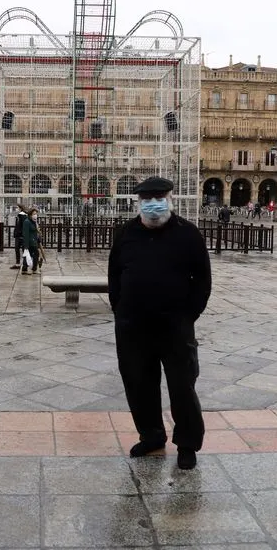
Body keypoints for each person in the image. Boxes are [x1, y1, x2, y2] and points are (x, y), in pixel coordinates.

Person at [108, 176, 211, 470]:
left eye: (159, 198)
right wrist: (121, 310)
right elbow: (114, 275)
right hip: (133, 327)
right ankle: (151, 436)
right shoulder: (126, 232)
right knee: (139, 385)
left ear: (169, 200)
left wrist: (188, 315)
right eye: (147, 200)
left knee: (182, 386)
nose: (153, 204)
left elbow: (202, 279)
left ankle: (188, 444)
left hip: (175, 326)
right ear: (139, 203)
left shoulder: (187, 233)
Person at [21, 207, 40, 275]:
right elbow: (25, 234)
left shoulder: (34, 222)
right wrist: (26, 246)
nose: (35, 215)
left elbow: (35, 232)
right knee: (27, 255)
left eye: (36, 214)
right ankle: (25, 269)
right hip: (29, 242)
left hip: (34, 242)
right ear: (30, 214)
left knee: (35, 255)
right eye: (34, 214)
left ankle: (33, 269)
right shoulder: (27, 222)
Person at [10, 204, 28, 269]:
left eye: (17, 208)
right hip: (21, 235)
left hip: (20, 235)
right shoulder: (23, 215)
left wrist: (18, 233)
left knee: (19, 249)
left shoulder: (21, 215)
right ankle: (22, 264)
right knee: (22, 250)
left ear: (20, 208)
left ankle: (20, 264)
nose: (16, 209)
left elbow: (21, 226)